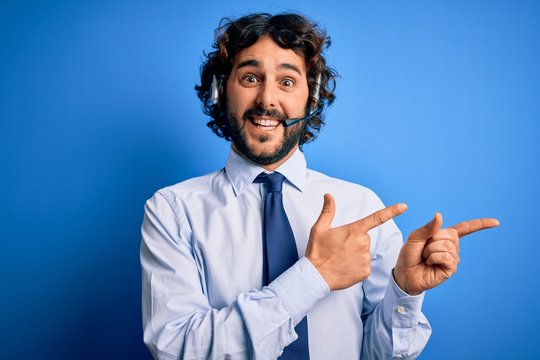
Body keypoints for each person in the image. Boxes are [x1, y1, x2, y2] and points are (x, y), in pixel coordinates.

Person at [140, 13, 499, 360]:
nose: (267, 99)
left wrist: (404, 291)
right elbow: (176, 350)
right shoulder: (173, 210)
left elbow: (380, 356)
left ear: (309, 99)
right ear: (221, 90)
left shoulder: (360, 207)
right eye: (250, 78)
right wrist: (313, 277)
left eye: (286, 81)